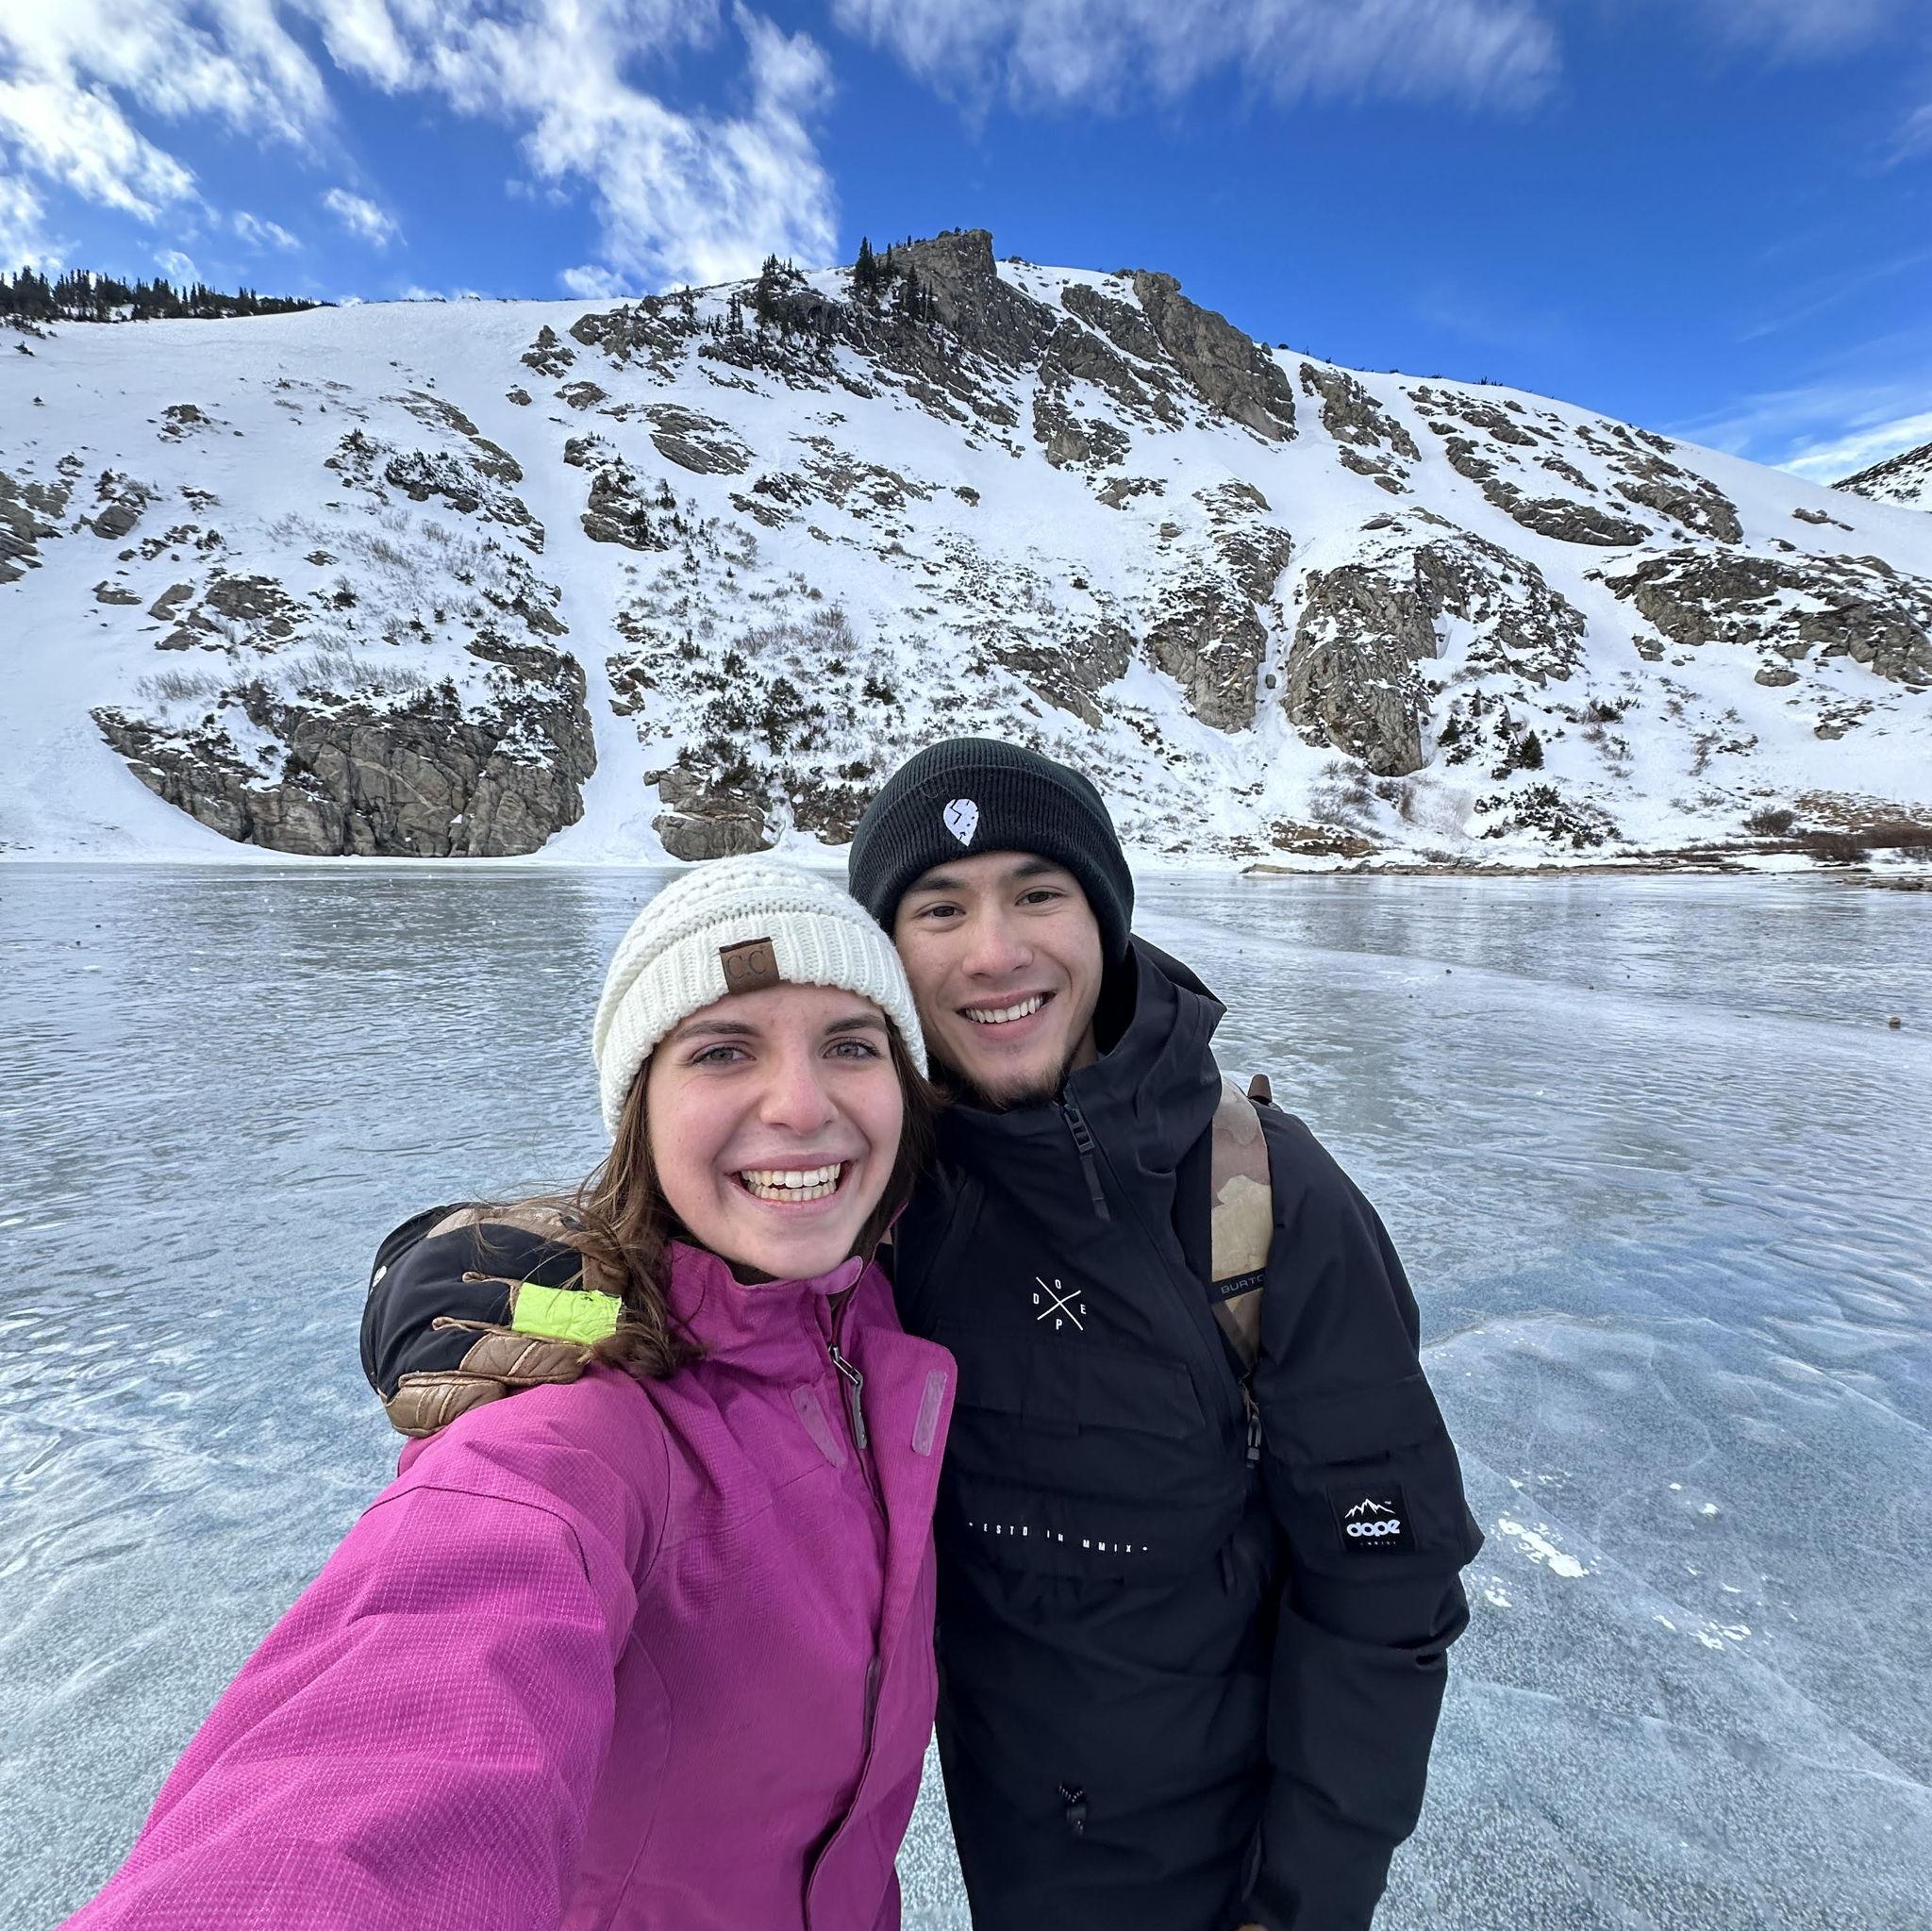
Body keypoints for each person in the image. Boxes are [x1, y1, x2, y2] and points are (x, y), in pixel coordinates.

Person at [368, 740, 1485, 1931]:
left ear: (1103, 922)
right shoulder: (874, 1182)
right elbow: (688, 1308)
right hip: (1007, 1843)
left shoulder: (1261, 1199)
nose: (992, 952)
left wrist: (1302, 1903)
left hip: (1218, 1863)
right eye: (939, 908)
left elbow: (1384, 1583)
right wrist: (485, 1299)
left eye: (1037, 894)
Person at [65, 858, 956, 1931]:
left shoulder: (880, 1323)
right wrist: (433, 1281)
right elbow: (385, 1751)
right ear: (639, 1110)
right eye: (722, 1050)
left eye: (850, 1045)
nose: (802, 1105)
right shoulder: (580, 1428)